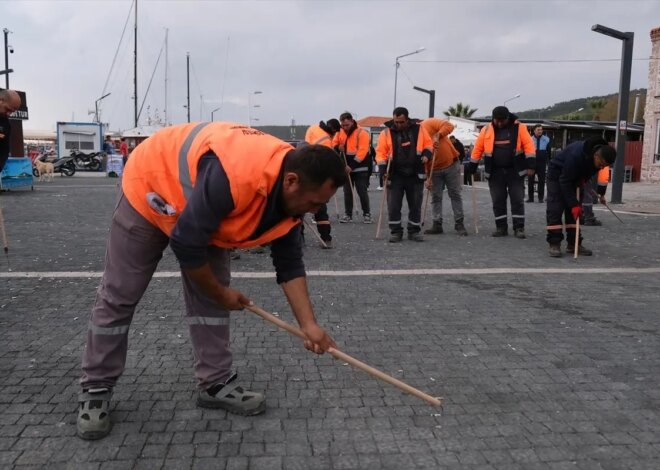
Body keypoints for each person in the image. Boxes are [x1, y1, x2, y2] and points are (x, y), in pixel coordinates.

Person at [77, 122, 348, 440]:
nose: (315, 211)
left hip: (205, 211)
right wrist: (220, 292)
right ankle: (96, 386)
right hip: (150, 189)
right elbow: (186, 243)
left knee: (209, 302)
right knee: (120, 293)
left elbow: (289, 265)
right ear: (291, 181)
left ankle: (215, 382)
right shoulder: (234, 174)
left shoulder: (291, 196)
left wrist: (309, 325)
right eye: (314, 203)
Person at [465, 106, 536, 239]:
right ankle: (501, 227)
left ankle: (519, 227)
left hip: (515, 171)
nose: (499, 123)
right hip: (495, 172)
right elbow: (478, 148)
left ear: (507, 118)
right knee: (498, 200)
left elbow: (529, 145)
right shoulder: (486, 129)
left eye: (501, 121)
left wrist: (531, 165)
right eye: (496, 120)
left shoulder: (520, 127)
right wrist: (472, 166)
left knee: (517, 199)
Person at [546, 138, 616, 257]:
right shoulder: (576, 155)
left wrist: (583, 180)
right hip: (557, 176)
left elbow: (590, 171)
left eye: (605, 166)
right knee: (556, 208)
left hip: (574, 177)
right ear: (596, 155)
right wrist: (573, 204)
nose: (602, 167)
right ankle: (554, 243)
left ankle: (574, 244)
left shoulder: (599, 159)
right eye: (601, 164)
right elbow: (564, 181)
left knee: (574, 213)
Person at [376, 107, 433, 242]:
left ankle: (414, 231)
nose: (398, 124)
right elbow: (380, 153)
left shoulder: (420, 129)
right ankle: (396, 232)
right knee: (394, 205)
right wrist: (383, 170)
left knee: (415, 204)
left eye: (401, 122)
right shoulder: (386, 132)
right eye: (396, 121)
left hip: (415, 173)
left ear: (407, 119)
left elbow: (428, 145)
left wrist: (426, 154)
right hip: (395, 174)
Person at [421, 119, 468, 236]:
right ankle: (437, 224)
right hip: (433, 170)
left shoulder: (428, 124)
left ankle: (459, 223)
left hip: (451, 164)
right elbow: (420, 160)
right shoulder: (415, 139)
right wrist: (427, 178)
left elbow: (449, 125)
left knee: (455, 194)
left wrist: (438, 135)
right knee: (435, 197)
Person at [304, 118, 341, 248]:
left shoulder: (313, 127)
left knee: (298, 210)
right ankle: (326, 238)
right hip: (315, 176)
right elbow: (327, 162)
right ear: (334, 130)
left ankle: (298, 238)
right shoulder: (326, 140)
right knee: (320, 209)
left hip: (302, 170)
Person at [333, 112, 373, 223]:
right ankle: (348, 214)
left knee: (362, 191)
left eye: (347, 125)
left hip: (360, 166)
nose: (345, 127)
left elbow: (362, 151)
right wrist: (338, 147)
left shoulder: (362, 132)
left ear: (352, 121)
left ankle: (367, 214)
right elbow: (334, 143)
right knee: (347, 192)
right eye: (343, 125)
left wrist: (352, 166)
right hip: (346, 166)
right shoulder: (340, 132)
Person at [527, 124, 551, 203]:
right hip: (532, 162)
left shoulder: (547, 139)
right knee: (530, 180)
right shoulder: (530, 139)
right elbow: (527, 152)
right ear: (534, 131)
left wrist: (549, 163)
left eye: (541, 129)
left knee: (541, 180)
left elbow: (549, 153)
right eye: (538, 130)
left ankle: (540, 198)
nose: (540, 131)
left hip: (542, 163)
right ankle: (530, 198)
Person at [0, 90, 22, 173]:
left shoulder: (5, 123)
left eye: (12, 112)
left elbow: (4, 149)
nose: (9, 114)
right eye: (7, 109)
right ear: (1, 100)